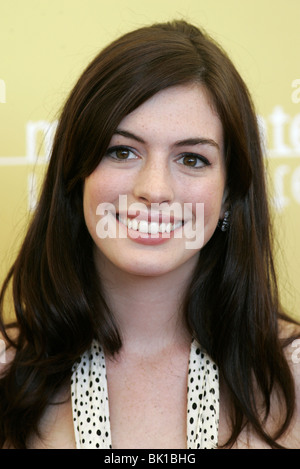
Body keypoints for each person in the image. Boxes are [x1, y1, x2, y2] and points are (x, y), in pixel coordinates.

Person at [0, 19, 299, 450]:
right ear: (75, 173)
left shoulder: (293, 372)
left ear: (231, 192)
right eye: (122, 151)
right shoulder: (7, 374)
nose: (154, 190)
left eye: (192, 159)